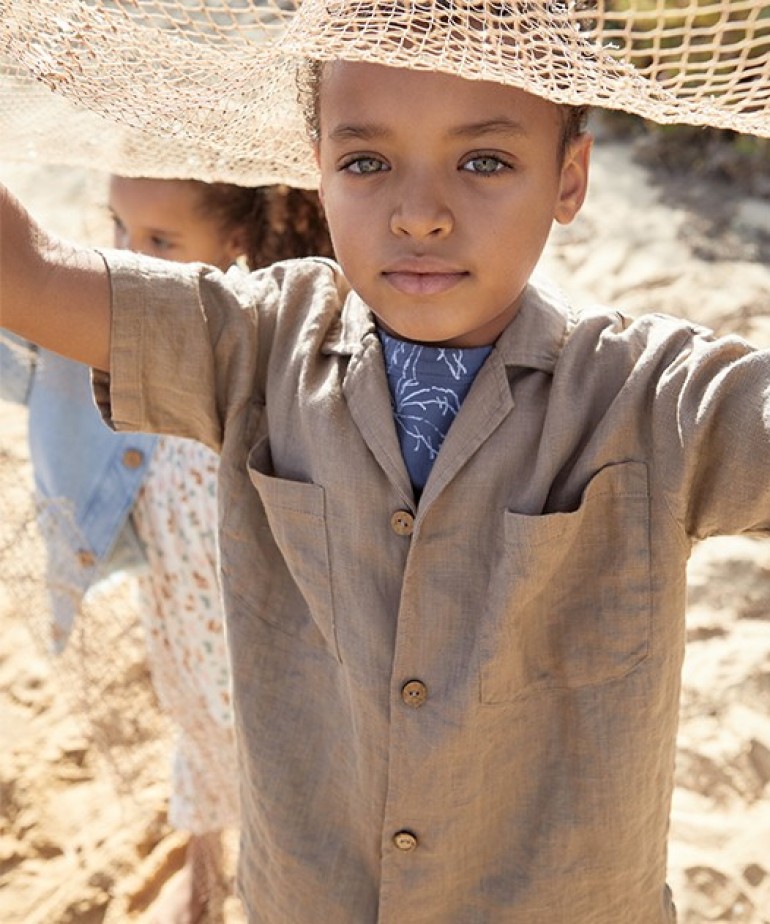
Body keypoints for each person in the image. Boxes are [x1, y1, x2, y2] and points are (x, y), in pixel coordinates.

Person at [2, 6, 770, 921]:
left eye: (483, 160)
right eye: (366, 162)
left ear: (569, 179)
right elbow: (34, 276)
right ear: (317, 170)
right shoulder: (257, 342)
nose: (419, 215)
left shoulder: (653, 399)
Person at [0, 175, 333, 924]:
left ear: (235, 243)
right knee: (196, 724)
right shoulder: (109, 329)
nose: (128, 258)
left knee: (267, 756)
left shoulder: (259, 348)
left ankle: (271, 875)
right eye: (119, 229)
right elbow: (21, 344)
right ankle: (205, 858)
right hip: (181, 607)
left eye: (159, 242)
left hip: (260, 619)